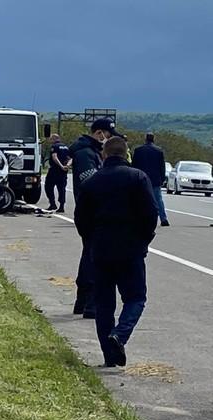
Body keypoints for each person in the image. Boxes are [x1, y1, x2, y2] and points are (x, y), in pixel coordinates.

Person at [74, 137, 157, 367]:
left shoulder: (92, 182)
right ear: (125, 153)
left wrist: (90, 241)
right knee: (136, 298)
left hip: (101, 249)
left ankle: (109, 356)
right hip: (131, 249)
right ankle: (120, 334)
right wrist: (144, 240)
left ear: (104, 154)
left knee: (104, 304)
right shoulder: (138, 178)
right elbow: (150, 214)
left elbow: (81, 218)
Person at [69, 118, 125, 318]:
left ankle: (83, 302)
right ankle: (89, 302)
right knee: (94, 258)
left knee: (90, 255)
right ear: (99, 133)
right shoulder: (85, 153)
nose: (107, 140)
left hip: (94, 210)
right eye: (107, 135)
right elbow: (92, 181)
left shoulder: (91, 152)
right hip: (92, 212)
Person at [132, 132, 169, 226]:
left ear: (145, 139)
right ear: (153, 139)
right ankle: (163, 219)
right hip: (155, 179)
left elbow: (134, 165)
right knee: (158, 199)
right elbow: (162, 167)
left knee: (140, 199)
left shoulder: (138, 150)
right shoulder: (159, 151)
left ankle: (139, 218)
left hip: (141, 178)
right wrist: (162, 178)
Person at [44, 133, 71, 212]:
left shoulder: (54, 147)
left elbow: (54, 157)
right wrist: (67, 166)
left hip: (54, 170)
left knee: (48, 187)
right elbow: (70, 158)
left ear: (54, 139)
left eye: (51, 139)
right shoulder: (66, 147)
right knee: (62, 189)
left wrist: (61, 166)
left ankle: (52, 204)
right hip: (63, 172)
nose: (50, 141)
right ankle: (61, 206)